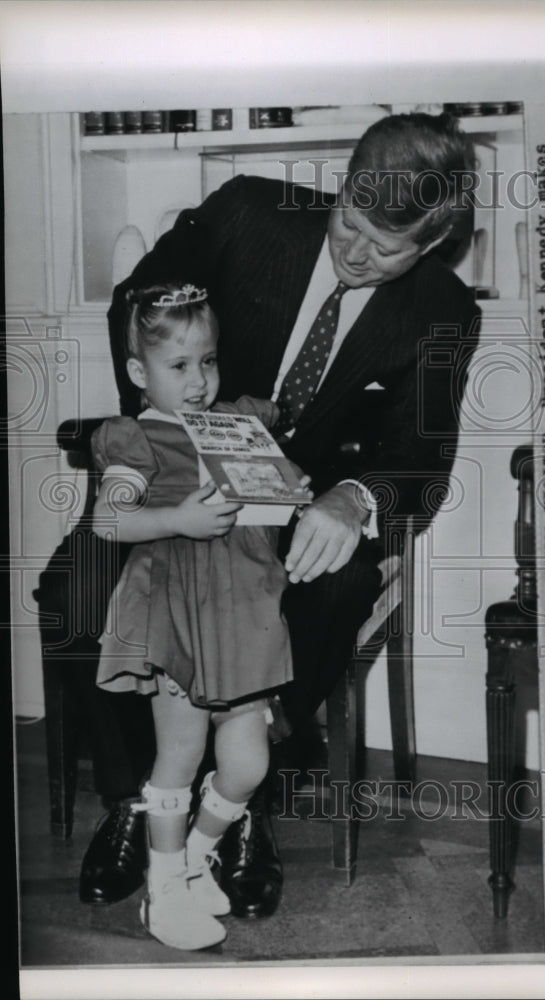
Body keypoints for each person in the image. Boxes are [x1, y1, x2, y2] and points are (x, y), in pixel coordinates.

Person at [79, 111, 482, 920]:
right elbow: (137, 298)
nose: (355, 251)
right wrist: (172, 428)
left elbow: (420, 458)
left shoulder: (444, 310)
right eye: (349, 222)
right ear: (341, 188)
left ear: (433, 245)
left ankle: (241, 801)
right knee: (80, 580)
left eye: (386, 247)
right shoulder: (247, 210)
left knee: (336, 587)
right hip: (176, 474)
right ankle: (134, 800)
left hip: (307, 506)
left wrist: (355, 497)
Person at [89, 282, 303, 949]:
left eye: (207, 361)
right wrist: (177, 518)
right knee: (179, 753)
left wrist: (287, 485)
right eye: (178, 366)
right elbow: (109, 518)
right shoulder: (137, 439)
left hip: (243, 612)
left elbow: (282, 469)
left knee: (248, 765)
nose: (198, 380)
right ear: (138, 374)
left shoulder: (238, 421)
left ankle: (193, 856)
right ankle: (162, 890)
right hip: (176, 612)